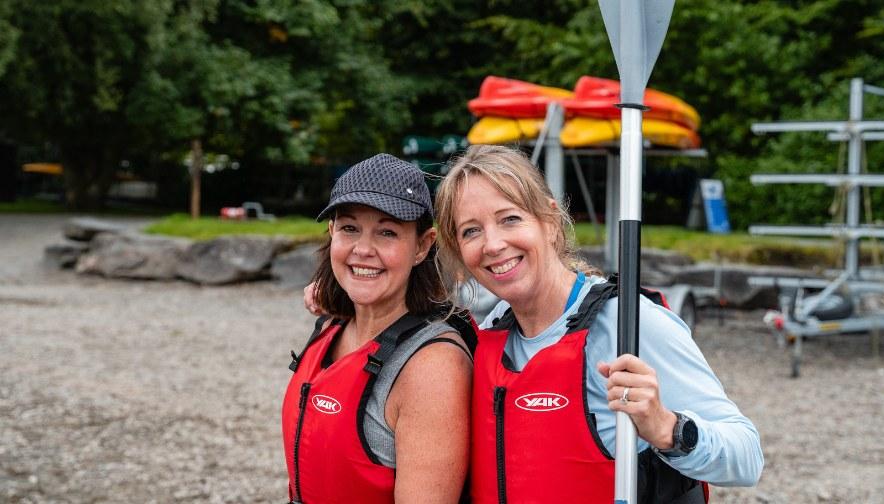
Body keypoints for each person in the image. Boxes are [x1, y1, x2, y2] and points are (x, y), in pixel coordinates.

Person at [433, 144, 763, 503]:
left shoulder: (629, 325)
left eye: (510, 219)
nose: (493, 244)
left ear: (550, 222)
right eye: (471, 231)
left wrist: (666, 427)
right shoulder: (493, 331)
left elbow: (747, 457)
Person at [283, 153, 474, 504]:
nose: (362, 250)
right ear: (332, 232)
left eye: (387, 232)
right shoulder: (332, 326)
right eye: (349, 228)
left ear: (422, 245)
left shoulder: (432, 368)